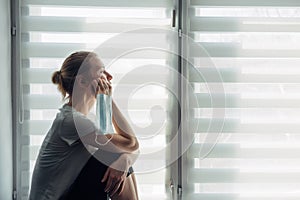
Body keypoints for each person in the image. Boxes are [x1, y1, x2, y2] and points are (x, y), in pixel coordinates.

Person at [29, 51, 139, 200]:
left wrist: (124, 161)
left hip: (70, 194)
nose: (109, 77)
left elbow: (128, 147)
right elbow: (131, 144)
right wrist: (107, 100)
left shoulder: (81, 120)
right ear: (82, 82)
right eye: (101, 72)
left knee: (114, 156)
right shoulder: (72, 121)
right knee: (110, 157)